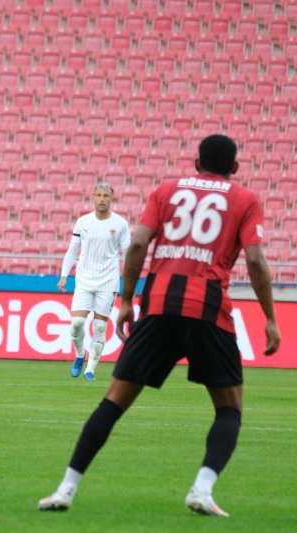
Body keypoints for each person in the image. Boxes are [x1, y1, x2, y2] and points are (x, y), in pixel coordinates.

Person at [38, 134, 280, 516]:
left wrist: (129, 300)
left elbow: (137, 245)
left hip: (159, 304)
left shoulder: (166, 190)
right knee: (229, 409)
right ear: (234, 168)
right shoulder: (246, 200)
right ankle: (201, 489)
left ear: (195, 162)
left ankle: (65, 490)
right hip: (209, 308)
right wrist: (270, 317)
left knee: (113, 402)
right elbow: (256, 262)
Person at [57, 183, 130, 381]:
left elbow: (128, 254)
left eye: (106, 195)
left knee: (99, 327)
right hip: (84, 281)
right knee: (77, 325)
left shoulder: (120, 224)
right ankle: (80, 354)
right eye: (98, 195)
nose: (102, 199)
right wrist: (64, 275)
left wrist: (130, 281)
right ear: (93, 197)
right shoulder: (83, 222)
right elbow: (72, 250)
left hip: (108, 283)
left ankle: (90, 369)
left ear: (111, 199)